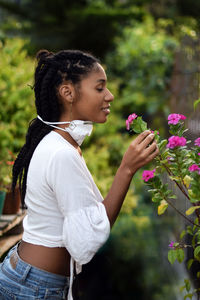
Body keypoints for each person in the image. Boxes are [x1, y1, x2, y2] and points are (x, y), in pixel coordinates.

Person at [0, 49, 159, 300]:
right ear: (68, 93)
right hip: (34, 288)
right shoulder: (61, 153)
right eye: (99, 88)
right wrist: (126, 169)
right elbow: (87, 240)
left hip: (30, 279)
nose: (110, 96)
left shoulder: (59, 143)